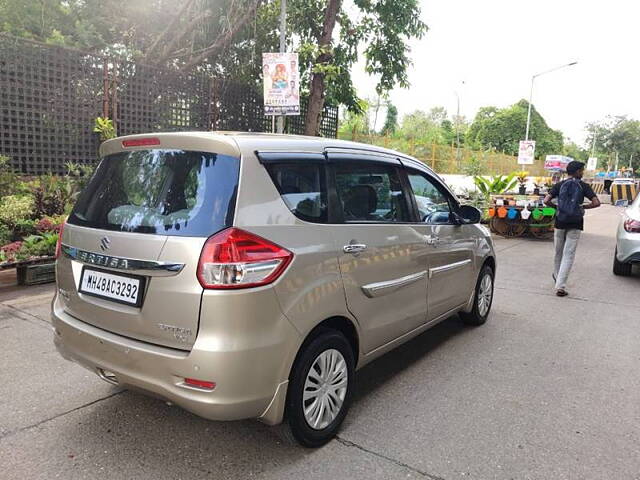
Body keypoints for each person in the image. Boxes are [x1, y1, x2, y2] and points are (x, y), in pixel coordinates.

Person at [544, 161, 600, 297]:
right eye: (581, 171)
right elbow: (596, 203)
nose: (582, 173)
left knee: (558, 253)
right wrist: (582, 208)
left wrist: (557, 208)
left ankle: (558, 279)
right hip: (575, 223)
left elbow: (546, 200)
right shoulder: (584, 186)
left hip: (560, 221)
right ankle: (560, 286)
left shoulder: (559, 185)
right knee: (568, 255)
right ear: (576, 171)